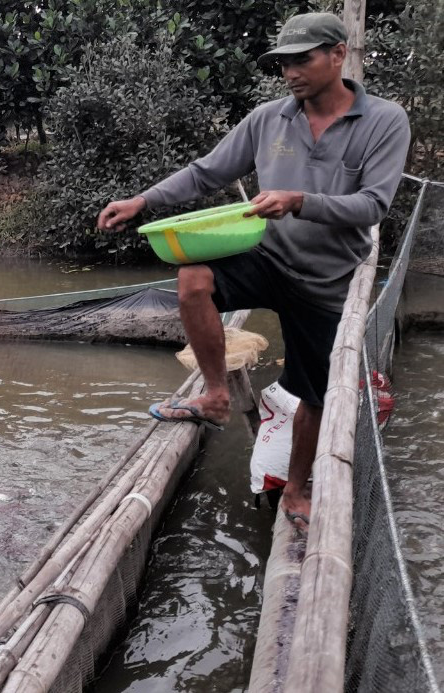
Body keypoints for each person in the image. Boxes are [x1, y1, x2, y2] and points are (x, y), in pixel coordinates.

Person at [96, 12, 410, 529]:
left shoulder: (384, 120)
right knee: (194, 277)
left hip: (326, 279)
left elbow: (373, 205)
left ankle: (296, 488)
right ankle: (217, 396)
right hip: (269, 257)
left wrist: (299, 200)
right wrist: (143, 200)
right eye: (283, 63)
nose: (290, 72)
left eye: (302, 59)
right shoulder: (269, 119)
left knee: (313, 394)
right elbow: (208, 171)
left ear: (338, 54)